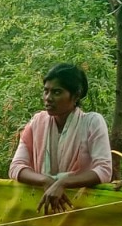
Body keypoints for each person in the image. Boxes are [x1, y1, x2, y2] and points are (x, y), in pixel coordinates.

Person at [9, 63, 113, 215]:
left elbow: (104, 170)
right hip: (42, 209)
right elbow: (16, 168)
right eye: (46, 91)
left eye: (56, 92)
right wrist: (46, 181)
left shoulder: (92, 122)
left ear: (76, 96)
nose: (48, 98)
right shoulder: (36, 123)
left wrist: (63, 183)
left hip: (80, 211)